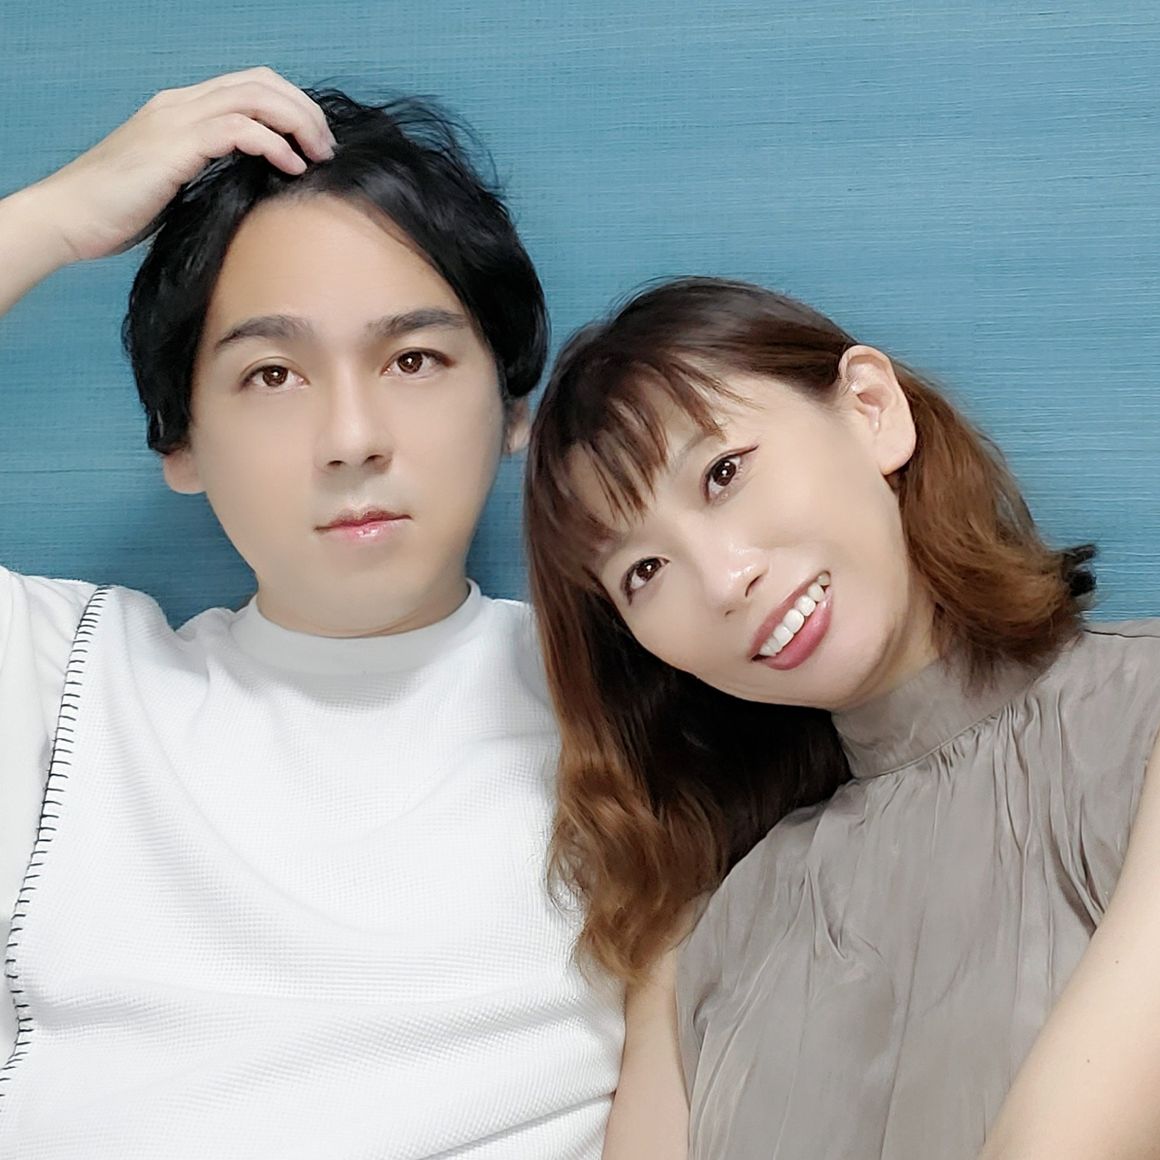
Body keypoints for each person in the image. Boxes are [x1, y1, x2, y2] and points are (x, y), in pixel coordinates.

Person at [0, 68, 622, 1158]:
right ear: (181, 442)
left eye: (414, 359)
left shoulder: (639, 692)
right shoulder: (69, 685)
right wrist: (56, 214)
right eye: (274, 375)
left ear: (514, 405)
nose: (351, 438)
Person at [522, 276, 1160, 1159]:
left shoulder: (1140, 716)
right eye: (644, 572)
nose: (724, 580)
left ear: (871, 409)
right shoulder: (702, 940)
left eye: (722, 473)